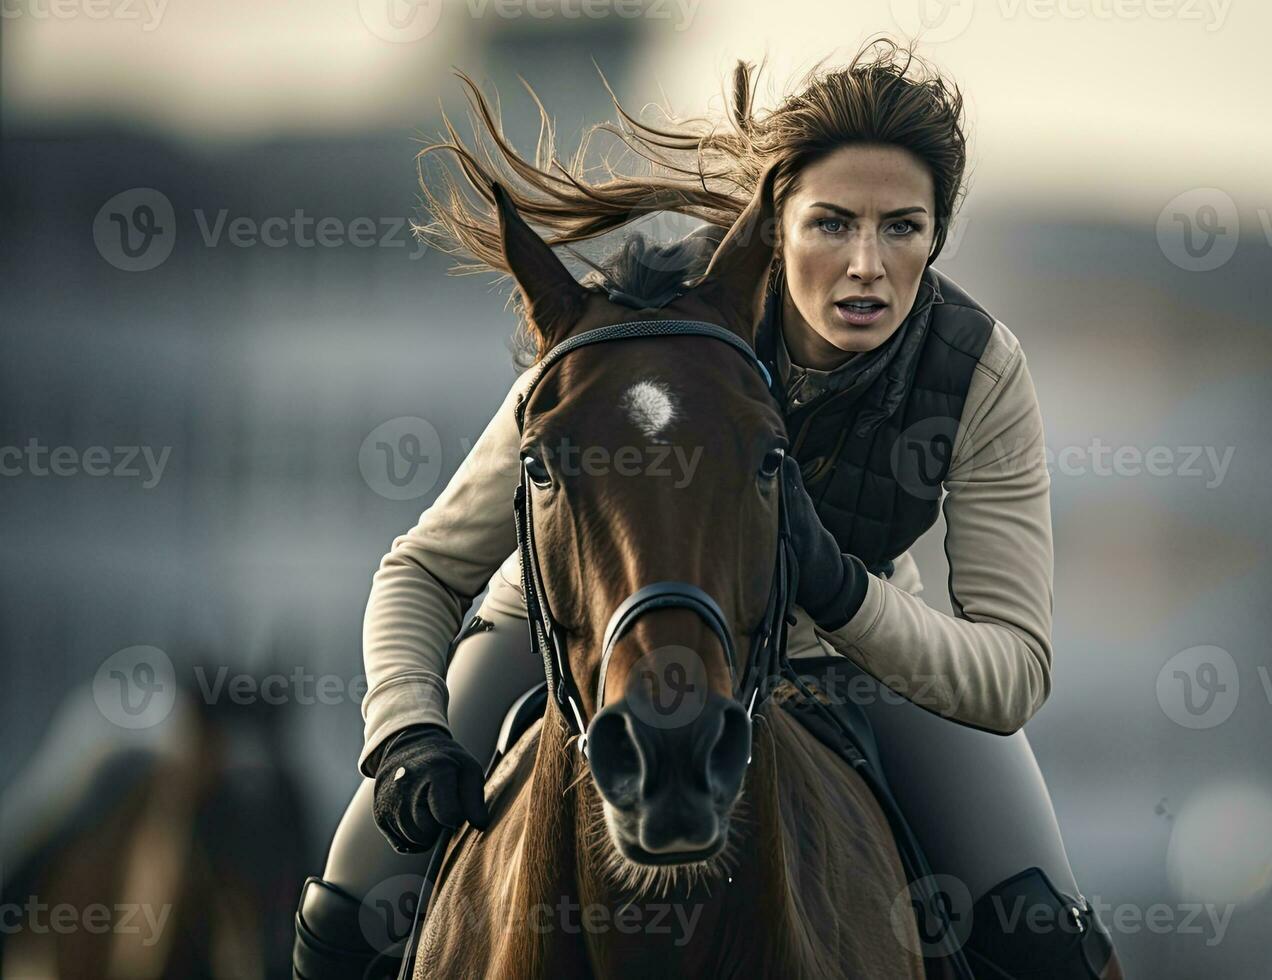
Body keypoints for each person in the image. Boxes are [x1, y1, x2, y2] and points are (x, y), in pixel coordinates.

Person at [293, 38, 1120, 979]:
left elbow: (1013, 671)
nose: (864, 266)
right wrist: (405, 727)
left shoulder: (977, 371)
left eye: (901, 228)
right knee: (348, 910)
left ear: (936, 236)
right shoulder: (633, 330)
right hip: (571, 629)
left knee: (1051, 947)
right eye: (831, 224)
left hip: (843, 653)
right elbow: (425, 569)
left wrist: (842, 595)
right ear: (776, 225)